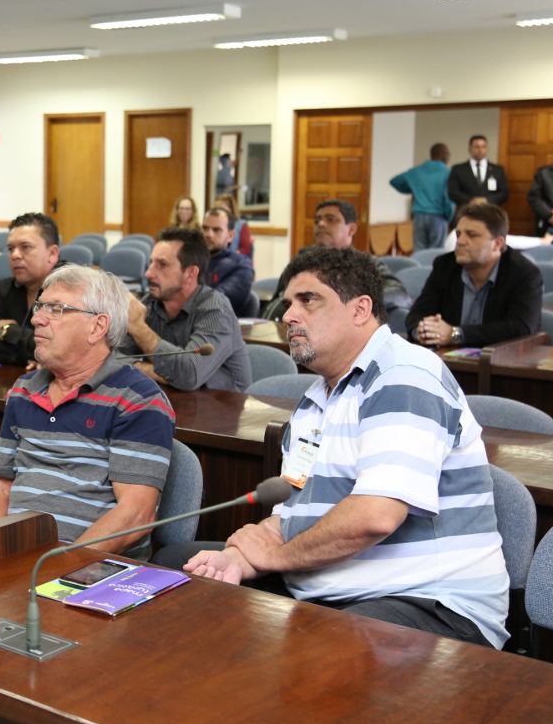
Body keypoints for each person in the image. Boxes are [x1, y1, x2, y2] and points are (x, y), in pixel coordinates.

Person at [157, 247, 509, 649]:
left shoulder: (405, 375)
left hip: (430, 602)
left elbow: (375, 516)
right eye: (288, 303)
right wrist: (240, 558)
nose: (289, 316)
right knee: (176, 569)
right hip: (328, 588)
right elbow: (293, 512)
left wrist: (274, 559)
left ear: (360, 310)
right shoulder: (316, 399)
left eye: (308, 300)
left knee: (323, 649)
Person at [0, 265, 175, 559]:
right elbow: (0, 487)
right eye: (40, 306)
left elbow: (136, 515)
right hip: (15, 557)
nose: (36, 319)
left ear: (97, 327)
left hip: (89, 568)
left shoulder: (138, 399)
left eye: (56, 309)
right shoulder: (24, 390)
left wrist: (58, 565)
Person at [118, 226, 252, 392]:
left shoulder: (216, 310)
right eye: (151, 263)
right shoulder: (149, 304)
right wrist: (160, 374)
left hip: (222, 404)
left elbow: (188, 375)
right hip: (169, 399)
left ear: (190, 273)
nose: (148, 274)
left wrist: (139, 328)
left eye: (162, 265)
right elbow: (111, 358)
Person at [406, 203, 542, 348]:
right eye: (458, 234)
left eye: (472, 235)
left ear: (497, 243)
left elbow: (521, 327)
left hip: (503, 358)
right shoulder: (445, 266)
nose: (460, 241)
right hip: (449, 358)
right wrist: (423, 330)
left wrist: (456, 334)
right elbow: (417, 314)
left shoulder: (524, 274)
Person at [260, 200, 413, 320]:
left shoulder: (364, 264)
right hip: (276, 330)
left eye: (331, 219)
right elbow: (278, 298)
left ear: (351, 229)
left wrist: (345, 304)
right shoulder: (302, 259)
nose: (321, 224)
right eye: (317, 220)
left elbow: (400, 295)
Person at [0, 212, 62, 366]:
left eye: (26, 247)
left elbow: (60, 349)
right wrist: (25, 357)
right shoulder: (8, 288)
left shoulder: (71, 289)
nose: (15, 255)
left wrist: (8, 330)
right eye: (11, 249)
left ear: (52, 254)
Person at [391, 143, 452, 251]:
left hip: (419, 217)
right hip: (438, 217)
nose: (448, 157)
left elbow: (395, 181)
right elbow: (448, 198)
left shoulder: (416, 171)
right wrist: (449, 216)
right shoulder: (447, 173)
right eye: (447, 154)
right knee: (436, 253)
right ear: (442, 154)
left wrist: (412, 188)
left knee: (419, 252)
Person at [201, 207, 255, 317]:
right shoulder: (190, 260)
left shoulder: (241, 265)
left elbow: (218, 300)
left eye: (216, 230)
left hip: (222, 323)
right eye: (205, 228)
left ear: (230, 236)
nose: (209, 234)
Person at [447, 134, 509, 212]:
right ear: (469, 149)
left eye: (483, 147)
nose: (480, 150)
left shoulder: (497, 170)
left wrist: (487, 200)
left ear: (487, 149)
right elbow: (452, 192)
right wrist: (471, 201)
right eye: (477, 147)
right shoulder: (458, 169)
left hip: (490, 212)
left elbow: (504, 193)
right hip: (466, 211)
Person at [215, 193, 252, 259]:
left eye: (221, 209)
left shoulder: (241, 225)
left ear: (231, 209)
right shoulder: (213, 225)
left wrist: (229, 257)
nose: (218, 212)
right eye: (216, 209)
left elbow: (245, 249)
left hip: (233, 259)